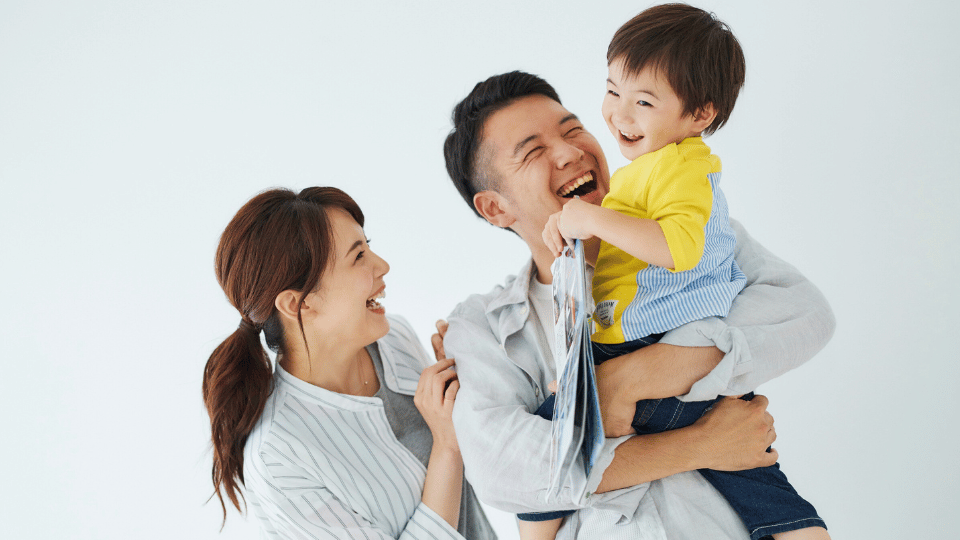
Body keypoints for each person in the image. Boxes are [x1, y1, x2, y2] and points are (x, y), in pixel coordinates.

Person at [440, 70, 835, 540]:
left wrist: (629, 378)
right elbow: (507, 471)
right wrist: (704, 443)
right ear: (495, 208)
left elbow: (806, 313)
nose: (569, 152)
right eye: (533, 151)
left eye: (572, 130)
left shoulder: (693, 235)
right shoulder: (481, 328)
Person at [529, 5, 827, 540]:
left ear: (700, 114)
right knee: (753, 477)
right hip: (655, 349)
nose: (619, 114)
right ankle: (800, 529)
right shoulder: (647, 170)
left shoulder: (683, 167)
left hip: (652, 342)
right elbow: (632, 259)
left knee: (551, 431)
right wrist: (582, 242)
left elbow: (677, 248)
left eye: (643, 102)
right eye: (612, 91)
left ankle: (540, 532)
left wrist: (591, 219)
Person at [202, 187, 495, 539]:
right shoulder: (280, 457)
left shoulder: (395, 339)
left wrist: (471, 374)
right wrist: (447, 446)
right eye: (358, 256)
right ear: (299, 303)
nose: (382, 265)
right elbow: (450, 447)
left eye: (368, 246)